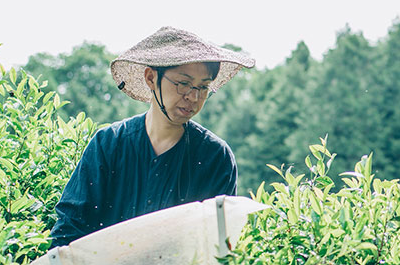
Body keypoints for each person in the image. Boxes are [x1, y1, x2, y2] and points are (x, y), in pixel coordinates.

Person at [50, 26, 255, 247]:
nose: (193, 97)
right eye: (183, 83)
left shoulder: (215, 157)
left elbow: (218, 243)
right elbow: (69, 229)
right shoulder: (108, 145)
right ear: (151, 78)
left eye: (203, 87)